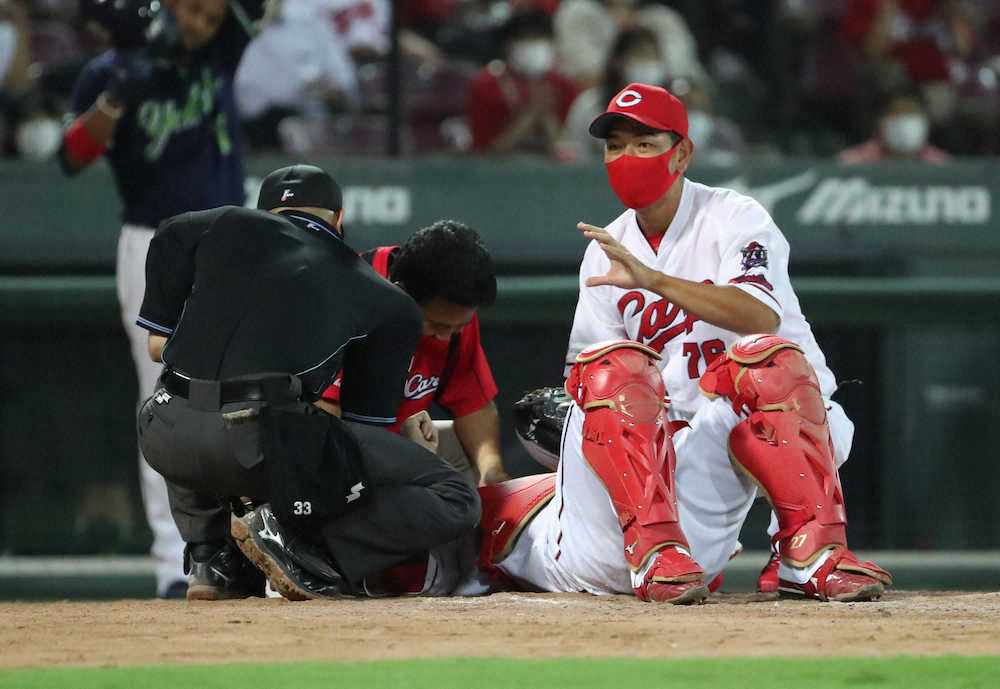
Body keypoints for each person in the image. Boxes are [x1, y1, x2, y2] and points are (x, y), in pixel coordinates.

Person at [417, 84, 892, 605]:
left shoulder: (734, 216)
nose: (626, 157)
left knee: (768, 366)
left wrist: (655, 280)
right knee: (615, 369)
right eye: (615, 146)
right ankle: (656, 553)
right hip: (650, 460)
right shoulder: (604, 252)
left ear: (682, 153)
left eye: (644, 144)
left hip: (743, 436)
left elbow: (759, 312)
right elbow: (590, 379)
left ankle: (812, 558)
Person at [135, 164, 481, 601]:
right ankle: (298, 542)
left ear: (263, 213)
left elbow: (169, 230)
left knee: (190, 398)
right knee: (455, 496)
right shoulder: (379, 294)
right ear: (339, 219)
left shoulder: (223, 226)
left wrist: (160, 325)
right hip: (259, 446)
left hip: (161, 434)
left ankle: (213, 559)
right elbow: (359, 432)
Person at [59, 0, 265, 598]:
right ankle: (175, 564)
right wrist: (119, 92)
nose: (204, 23)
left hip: (230, 234)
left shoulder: (219, 50)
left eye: (210, 13)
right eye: (194, 11)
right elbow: (73, 156)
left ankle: (252, 552)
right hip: (153, 241)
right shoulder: (111, 69)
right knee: (163, 401)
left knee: (249, 394)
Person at [318, 221, 509, 487]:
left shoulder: (452, 315)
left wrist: (492, 473)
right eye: (437, 325)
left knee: (464, 454)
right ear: (401, 292)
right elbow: (323, 418)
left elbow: (472, 402)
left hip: (399, 445)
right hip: (329, 451)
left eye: (458, 327)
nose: (445, 336)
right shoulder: (348, 297)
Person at [464, 9, 577, 156]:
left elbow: (570, 148)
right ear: (508, 45)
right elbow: (483, 152)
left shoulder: (563, 85)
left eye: (540, 39)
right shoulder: (487, 85)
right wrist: (530, 116)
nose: (535, 47)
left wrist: (546, 118)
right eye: (527, 39)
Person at [837, 93, 949, 164]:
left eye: (910, 119)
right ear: (881, 126)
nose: (904, 131)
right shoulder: (856, 160)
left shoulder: (939, 162)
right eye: (896, 119)